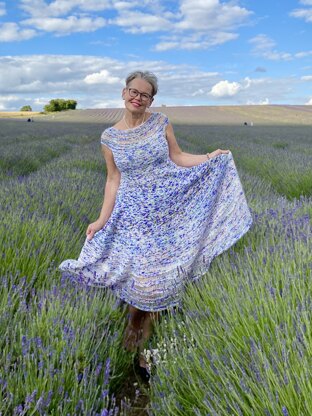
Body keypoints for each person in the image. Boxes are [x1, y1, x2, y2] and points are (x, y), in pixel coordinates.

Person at [59, 70, 252, 382]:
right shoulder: (109, 138)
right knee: (145, 286)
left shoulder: (160, 122)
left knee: (161, 283)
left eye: (145, 94)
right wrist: (101, 220)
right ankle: (132, 351)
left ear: (151, 100)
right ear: (124, 93)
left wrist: (209, 157)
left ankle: (143, 352)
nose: (138, 97)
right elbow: (113, 180)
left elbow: (177, 157)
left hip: (168, 212)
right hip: (133, 221)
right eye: (133, 91)